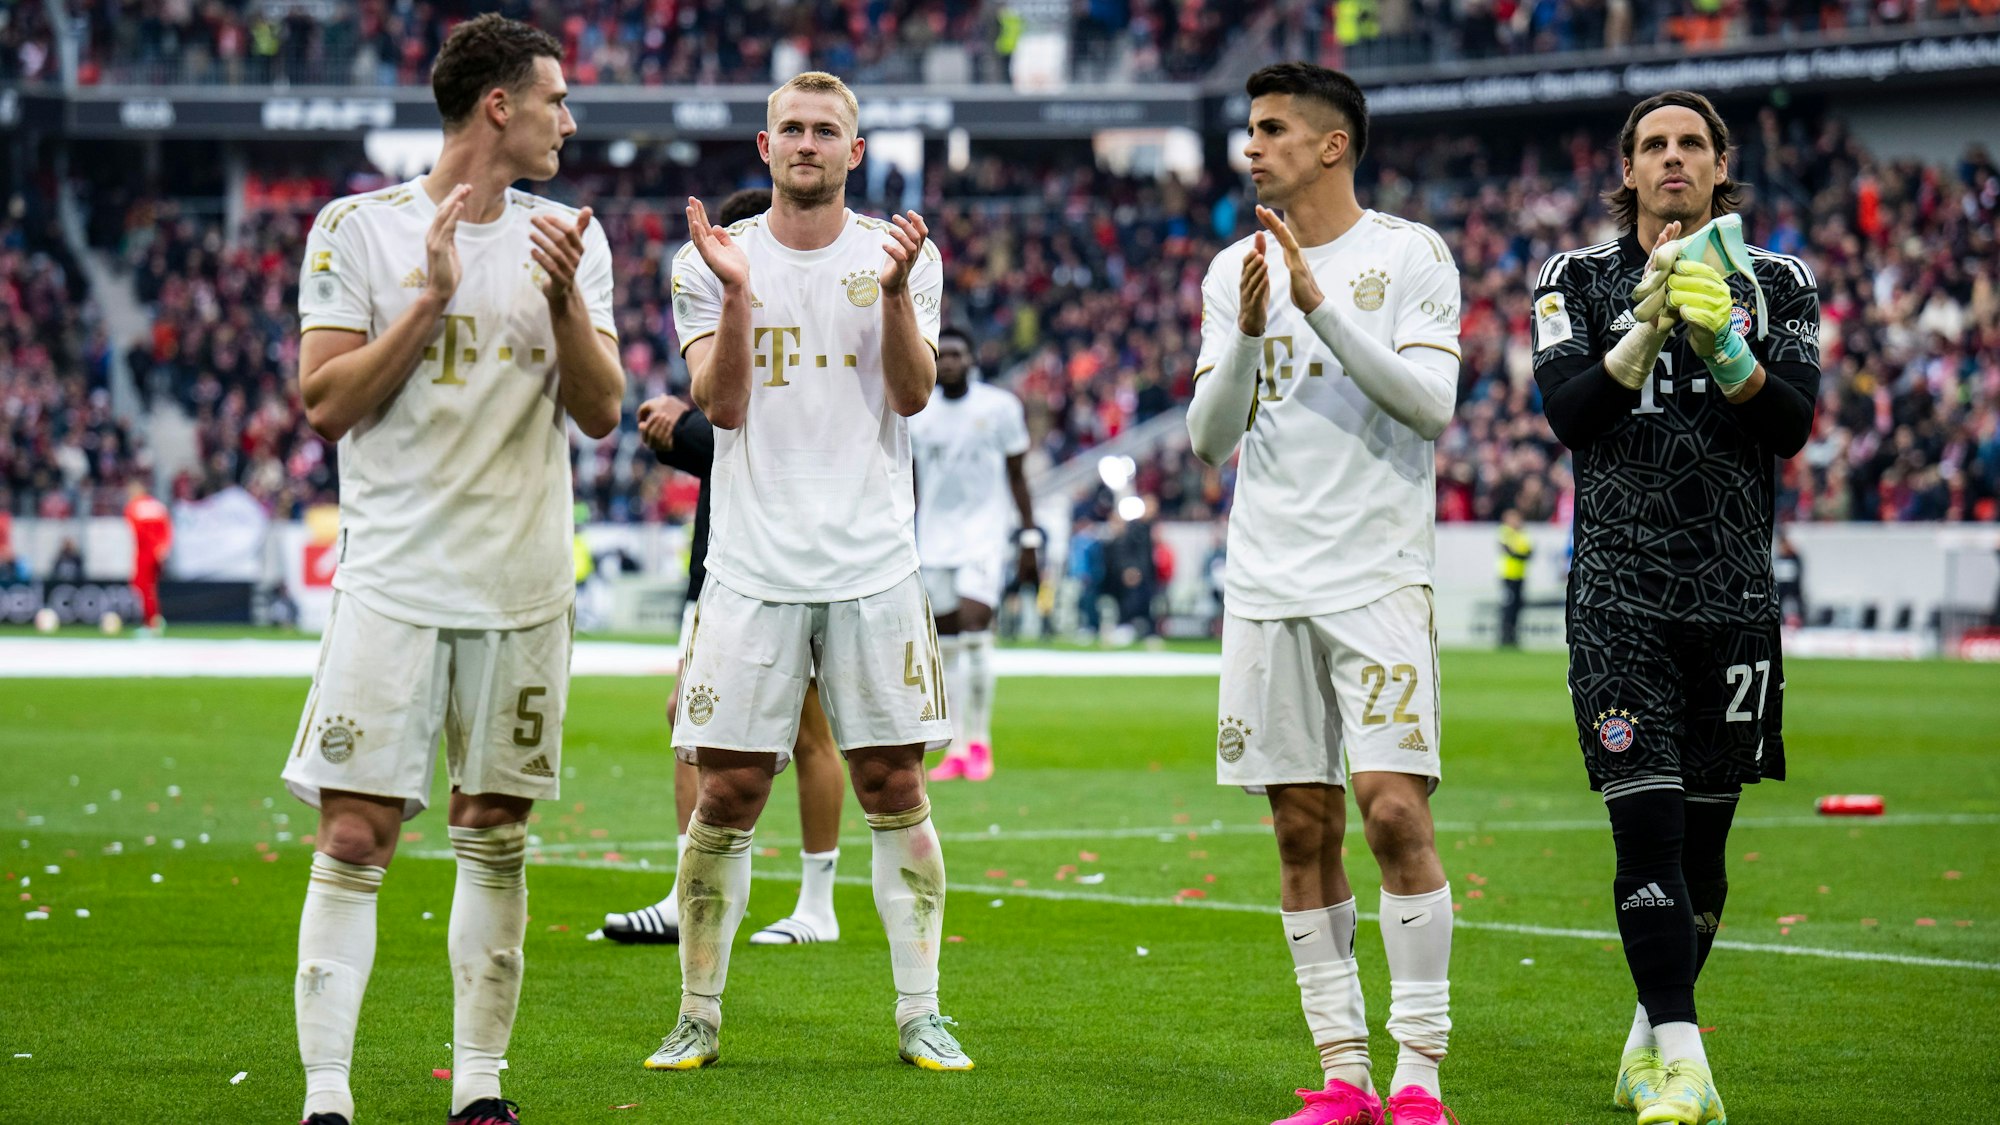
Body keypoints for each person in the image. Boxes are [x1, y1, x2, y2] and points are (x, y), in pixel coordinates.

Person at [280, 15, 623, 1125]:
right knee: (352, 836)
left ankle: (478, 1091)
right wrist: (428, 299)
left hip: (520, 588)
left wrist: (567, 300)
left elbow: (603, 410)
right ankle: (326, 1098)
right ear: (498, 107)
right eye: (555, 101)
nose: (569, 121)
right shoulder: (358, 230)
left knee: (495, 833)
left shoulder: (572, 237)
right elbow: (325, 403)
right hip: (393, 583)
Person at [643, 71, 969, 1074]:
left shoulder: (898, 254)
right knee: (729, 791)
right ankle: (697, 1013)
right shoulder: (709, 262)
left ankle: (920, 1013)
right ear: (764, 144)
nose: (808, 143)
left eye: (827, 130)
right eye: (792, 127)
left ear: (854, 153)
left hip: (873, 563)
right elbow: (724, 405)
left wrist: (903, 294)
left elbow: (912, 397)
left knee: (892, 779)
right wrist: (739, 295)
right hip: (751, 567)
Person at [1532, 89, 1819, 1125]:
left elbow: (1788, 427)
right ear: (1625, 168)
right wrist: (1649, 328)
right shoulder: (1577, 278)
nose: (1670, 160)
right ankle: (1688, 1065)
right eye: (1651, 145)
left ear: (1717, 164)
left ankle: (1651, 1032)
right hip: (1615, 596)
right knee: (1642, 836)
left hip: (1732, 596)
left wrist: (1727, 350)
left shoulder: (1776, 281)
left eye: (1689, 144)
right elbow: (1569, 414)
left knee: (1702, 851)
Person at [1186, 62, 1463, 1125]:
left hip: (1377, 576)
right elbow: (1211, 444)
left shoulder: (1406, 255)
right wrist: (1255, 328)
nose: (1251, 147)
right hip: (1263, 581)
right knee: (1299, 830)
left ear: (1331, 143)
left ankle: (1419, 1076)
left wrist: (1317, 308)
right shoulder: (1230, 271)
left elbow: (1429, 407)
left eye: (1269, 129)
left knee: (1391, 812)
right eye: (1248, 129)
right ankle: (1344, 1075)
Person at [602, 190, 853, 946]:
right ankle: (696, 893)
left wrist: (685, 432)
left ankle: (817, 903)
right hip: (725, 560)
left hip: (789, 562)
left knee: (807, 733)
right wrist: (685, 427)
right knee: (693, 724)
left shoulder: (811, 320)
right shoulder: (733, 321)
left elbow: (778, 446)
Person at [911, 325, 1036, 782]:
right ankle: (957, 747)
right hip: (932, 540)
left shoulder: (1000, 408)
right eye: (941, 356)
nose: (948, 363)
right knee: (945, 649)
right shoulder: (917, 414)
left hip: (984, 536)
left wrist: (1029, 537)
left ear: (972, 359)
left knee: (975, 628)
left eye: (957, 354)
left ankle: (980, 742)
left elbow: (1018, 475)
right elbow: (912, 483)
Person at [124, 479, 172, 634]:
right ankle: (154, 619)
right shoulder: (158, 506)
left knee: (142, 586)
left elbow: (136, 533)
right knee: (150, 588)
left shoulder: (134, 507)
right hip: (157, 551)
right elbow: (167, 529)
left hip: (145, 552)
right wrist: (163, 548)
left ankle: (151, 622)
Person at [1496, 509, 1532, 648]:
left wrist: (1518, 554)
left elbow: (1529, 552)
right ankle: (1505, 636)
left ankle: (1513, 636)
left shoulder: (1522, 533)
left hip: (1520, 576)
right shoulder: (1505, 532)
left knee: (1517, 606)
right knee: (1508, 607)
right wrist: (1520, 554)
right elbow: (1509, 550)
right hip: (1508, 576)